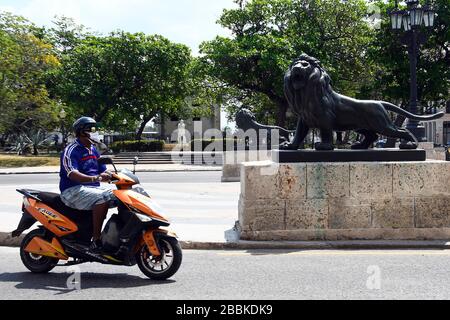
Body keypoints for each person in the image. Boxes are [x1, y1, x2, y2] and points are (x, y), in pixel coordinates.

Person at [59, 117, 115, 253]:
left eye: (96, 129)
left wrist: (116, 176)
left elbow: (102, 170)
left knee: (120, 198)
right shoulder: (71, 150)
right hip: (72, 190)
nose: (95, 132)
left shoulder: (93, 149)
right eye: (92, 129)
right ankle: (96, 240)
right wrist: (95, 178)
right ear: (81, 132)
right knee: (103, 198)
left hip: (91, 189)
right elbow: (72, 173)